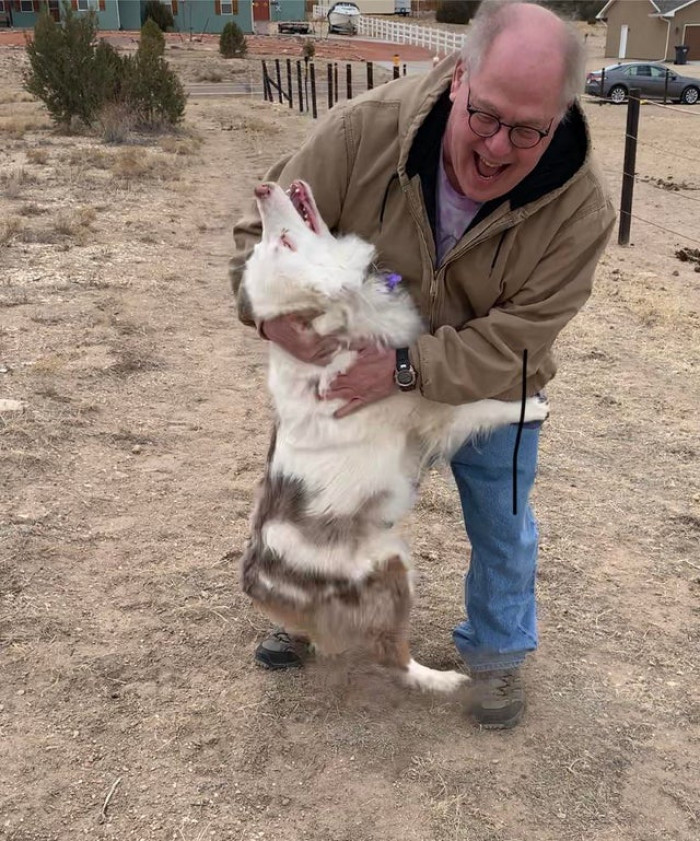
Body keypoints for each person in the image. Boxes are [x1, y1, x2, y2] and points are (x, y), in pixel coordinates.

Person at [229, 0, 616, 729]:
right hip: (365, 354)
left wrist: (408, 369)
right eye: (488, 117)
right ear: (459, 76)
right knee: (312, 486)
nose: (499, 148)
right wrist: (269, 314)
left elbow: (522, 336)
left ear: (561, 116)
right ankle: (297, 609)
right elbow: (261, 229)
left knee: (504, 522)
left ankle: (499, 654)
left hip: (488, 383)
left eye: (529, 131)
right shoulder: (362, 132)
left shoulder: (582, 211)